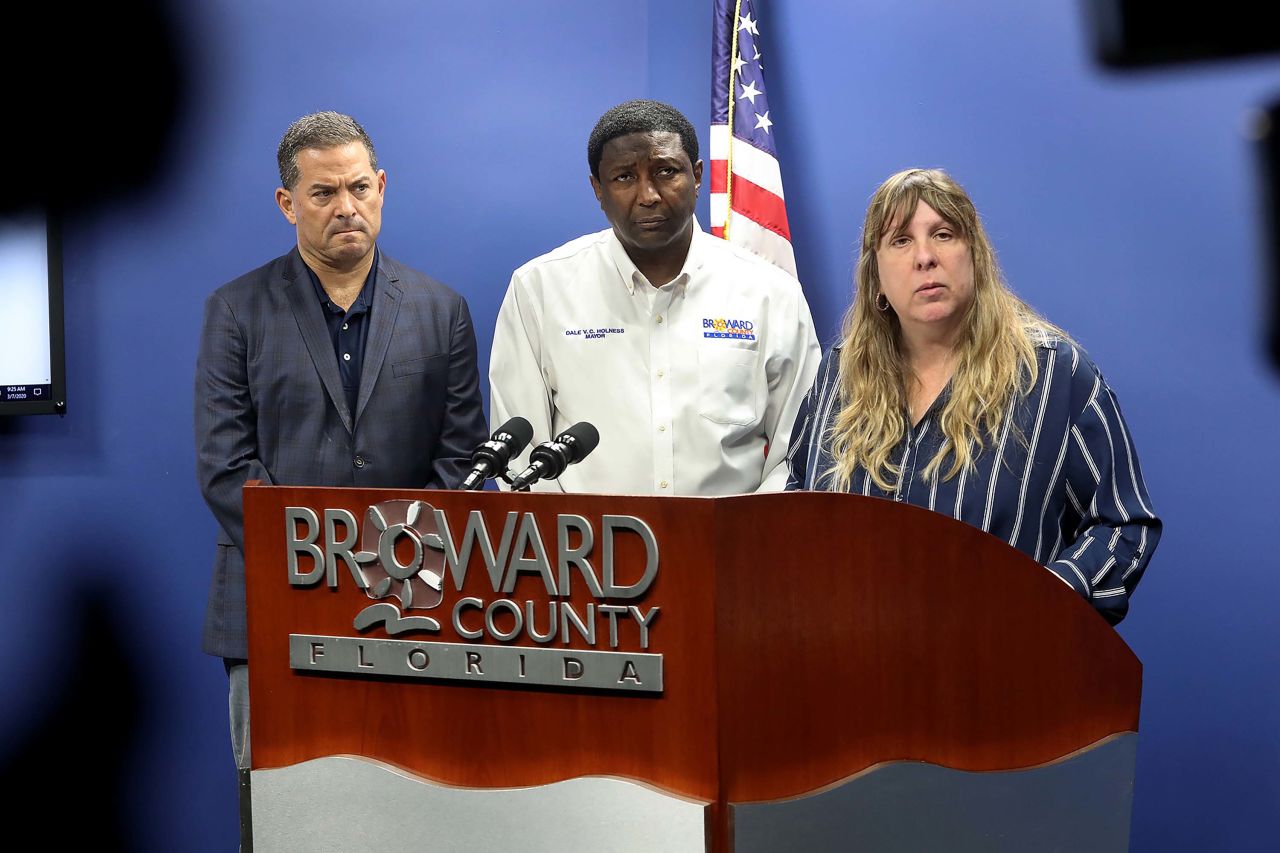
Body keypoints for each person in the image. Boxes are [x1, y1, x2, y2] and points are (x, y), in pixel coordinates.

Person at [194, 112, 487, 785]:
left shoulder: (442, 311)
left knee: (410, 800)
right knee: (282, 801)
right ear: (287, 203)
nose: (346, 206)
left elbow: (463, 461)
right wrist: (323, 559)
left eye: (359, 187)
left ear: (382, 186)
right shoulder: (236, 310)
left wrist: (396, 566)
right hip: (272, 602)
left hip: (415, 604)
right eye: (324, 193)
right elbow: (225, 465)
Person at [786, 168, 1160, 624]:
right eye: (900, 241)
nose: (925, 257)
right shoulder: (839, 375)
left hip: (999, 668)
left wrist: (1046, 597)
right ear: (876, 277)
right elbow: (797, 512)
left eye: (943, 234)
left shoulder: (1053, 375)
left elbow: (1122, 524)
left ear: (976, 257)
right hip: (850, 666)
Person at [489, 99, 819, 495]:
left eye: (666, 171)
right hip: (586, 550)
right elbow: (522, 463)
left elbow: (798, 451)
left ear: (697, 177)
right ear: (597, 189)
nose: (647, 195)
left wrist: (745, 543)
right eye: (624, 177)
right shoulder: (539, 289)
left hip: (733, 548)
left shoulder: (770, 292)